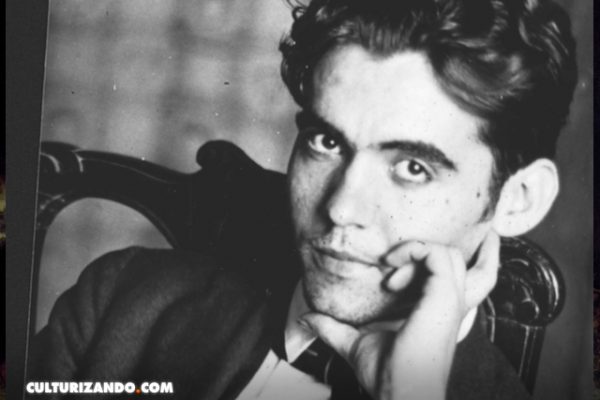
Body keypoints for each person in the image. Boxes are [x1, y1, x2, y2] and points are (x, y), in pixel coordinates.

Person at [27, 0, 577, 399]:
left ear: (519, 200)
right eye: (326, 142)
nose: (340, 209)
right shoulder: (119, 302)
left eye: (412, 168)